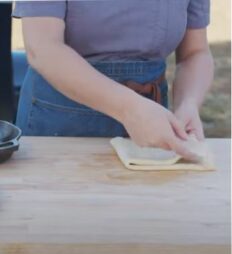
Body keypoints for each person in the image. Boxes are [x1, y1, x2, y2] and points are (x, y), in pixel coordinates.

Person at [12, 0, 214, 161]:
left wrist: (188, 103)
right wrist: (131, 109)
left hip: (153, 123)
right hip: (58, 120)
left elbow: (195, 53)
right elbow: (43, 48)